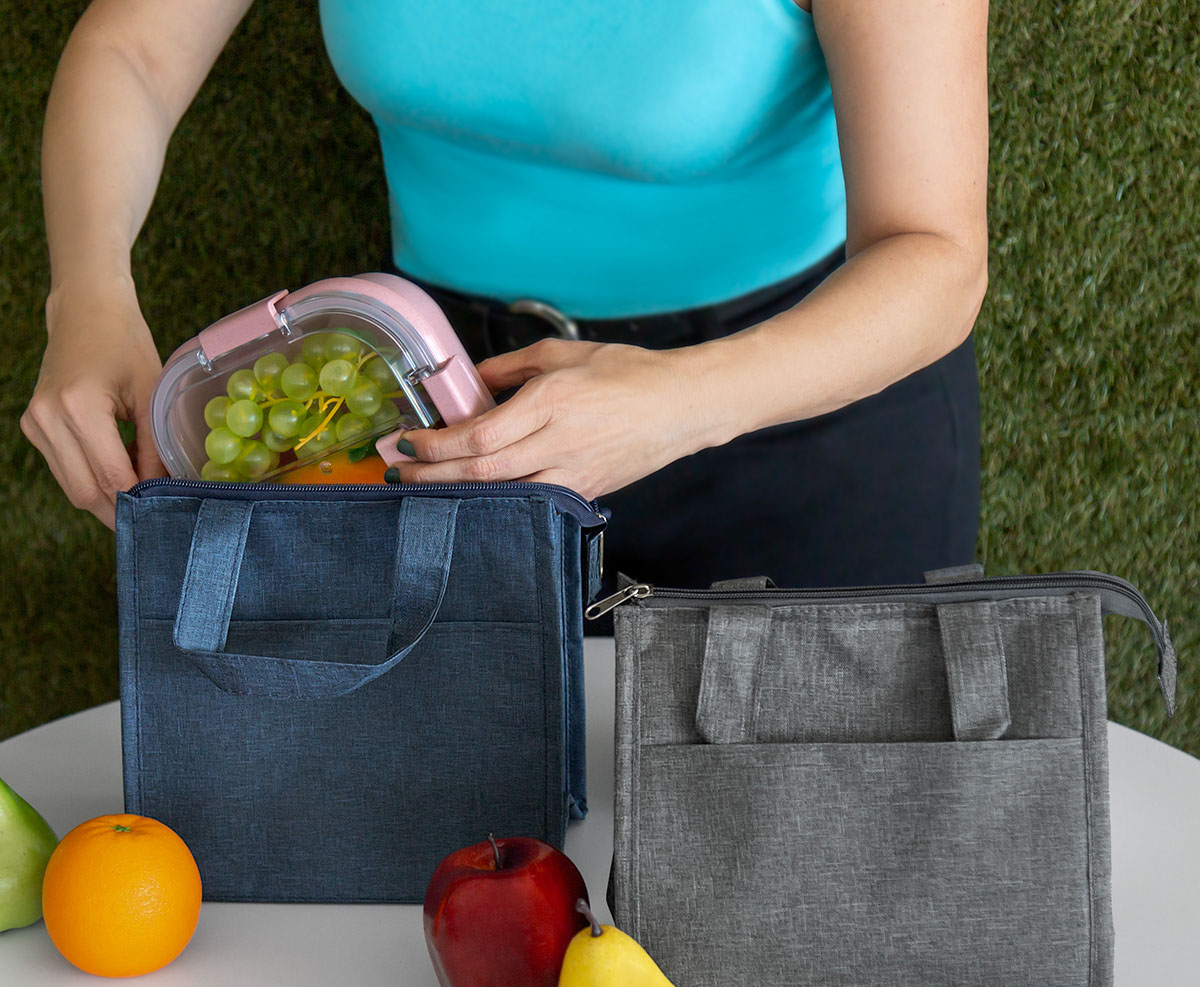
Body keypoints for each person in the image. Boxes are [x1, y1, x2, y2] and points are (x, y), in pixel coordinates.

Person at [22, 0, 988, 614]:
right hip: (430, 406)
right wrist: (89, 295)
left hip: (790, 406)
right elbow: (134, 49)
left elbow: (935, 257)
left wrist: (677, 403)